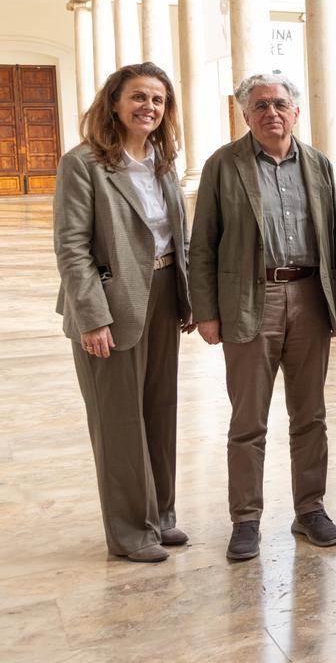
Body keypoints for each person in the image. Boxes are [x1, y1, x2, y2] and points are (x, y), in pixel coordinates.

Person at [190, 72, 336, 561]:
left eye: (279, 104)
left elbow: (335, 240)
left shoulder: (319, 164)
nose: (271, 112)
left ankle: (311, 509)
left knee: (310, 416)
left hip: (309, 298)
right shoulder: (223, 165)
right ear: (245, 115)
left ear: (295, 112)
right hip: (248, 300)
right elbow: (202, 245)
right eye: (259, 105)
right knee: (248, 420)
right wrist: (206, 312)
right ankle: (245, 519)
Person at [53, 62, 194, 563]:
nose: (148, 107)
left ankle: (160, 517)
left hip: (162, 294)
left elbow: (176, 236)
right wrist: (91, 317)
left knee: (159, 411)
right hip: (110, 304)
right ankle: (131, 533)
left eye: (157, 99)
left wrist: (187, 296)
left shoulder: (162, 161)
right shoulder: (83, 163)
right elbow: (72, 247)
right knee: (118, 422)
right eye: (138, 96)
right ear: (114, 103)